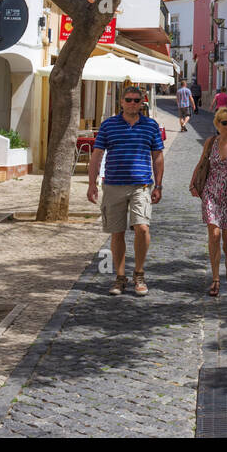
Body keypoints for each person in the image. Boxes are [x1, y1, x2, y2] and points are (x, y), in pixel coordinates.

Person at [88, 87, 164, 297]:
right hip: (113, 185)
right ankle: (120, 278)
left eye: (136, 100)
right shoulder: (108, 125)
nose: (132, 103)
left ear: (142, 103)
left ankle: (139, 274)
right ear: (121, 102)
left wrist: (158, 185)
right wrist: (92, 183)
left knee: (142, 228)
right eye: (128, 100)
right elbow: (96, 155)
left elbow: (157, 156)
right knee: (117, 232)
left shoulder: (150, 126)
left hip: (141, 186)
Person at [191, 106, 227, 297]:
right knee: (214, 234)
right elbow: (201, 163)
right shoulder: (210, 142)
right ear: (217, 124)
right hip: (211, 192)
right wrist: (193, 183)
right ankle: (215, 279)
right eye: (224, 123)